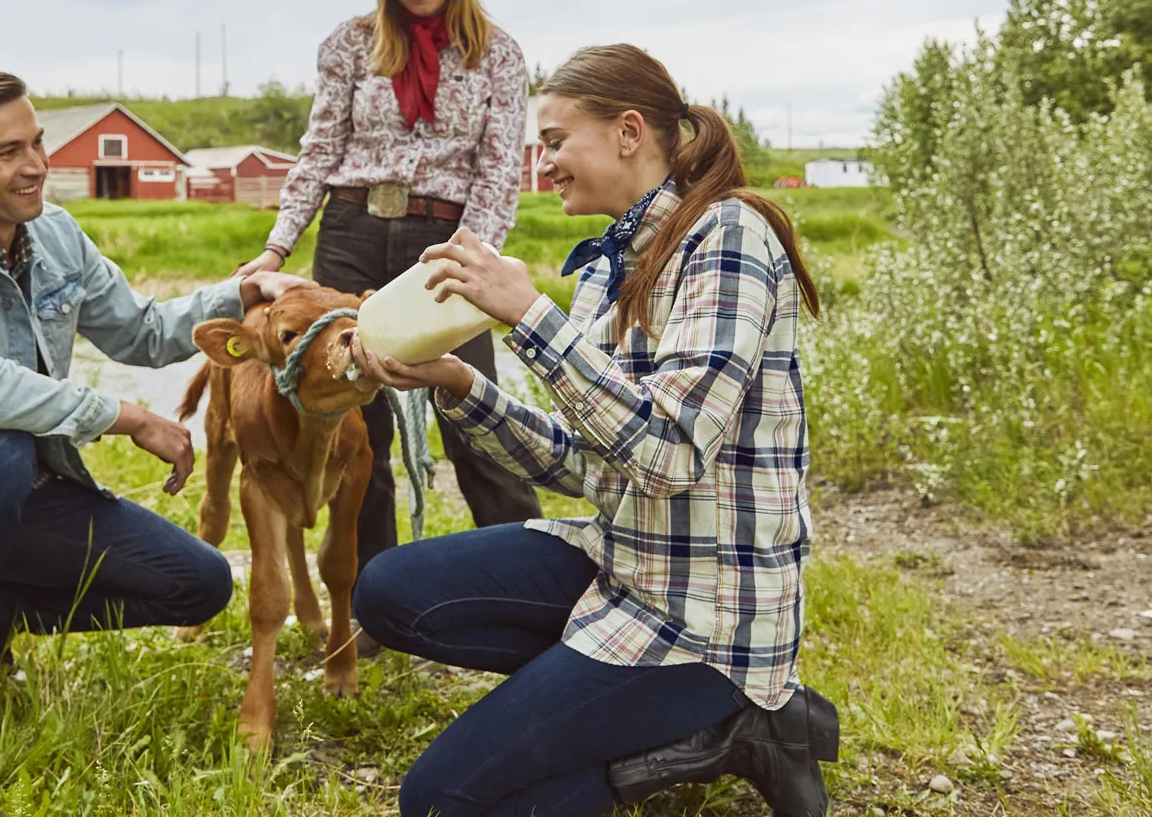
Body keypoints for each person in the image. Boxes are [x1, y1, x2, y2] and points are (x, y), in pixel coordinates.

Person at [350, 44, 839, 817]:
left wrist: (530, 315)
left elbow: (672, 453)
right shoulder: (606, 269)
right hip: (622, 563)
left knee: (442, 800)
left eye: (553, 139)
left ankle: (727, 719)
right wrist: (459, 384)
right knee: (385, 590)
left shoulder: (729, 237)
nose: (542, 161)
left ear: (628, 131)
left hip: (705, 617)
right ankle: (610, 705)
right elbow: (582, 463)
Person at [0, 67, 308, 771]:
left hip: (15, 489)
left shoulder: (54, 233)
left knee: (197, 583)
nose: (36, 167)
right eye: (8, 152)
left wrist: (243, 291)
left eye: (37, 142)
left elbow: (142, 329)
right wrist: (126, 416)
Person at [236, 0, 541, 586]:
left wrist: (470, 257)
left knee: (474, 410)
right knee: (354, 418)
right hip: (352, 230)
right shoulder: (349, 44)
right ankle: (370, 594)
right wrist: (279, 245)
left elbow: (498, 172)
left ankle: (528, 582)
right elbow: (318, 150)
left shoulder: (497, 55)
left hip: (446, 239)